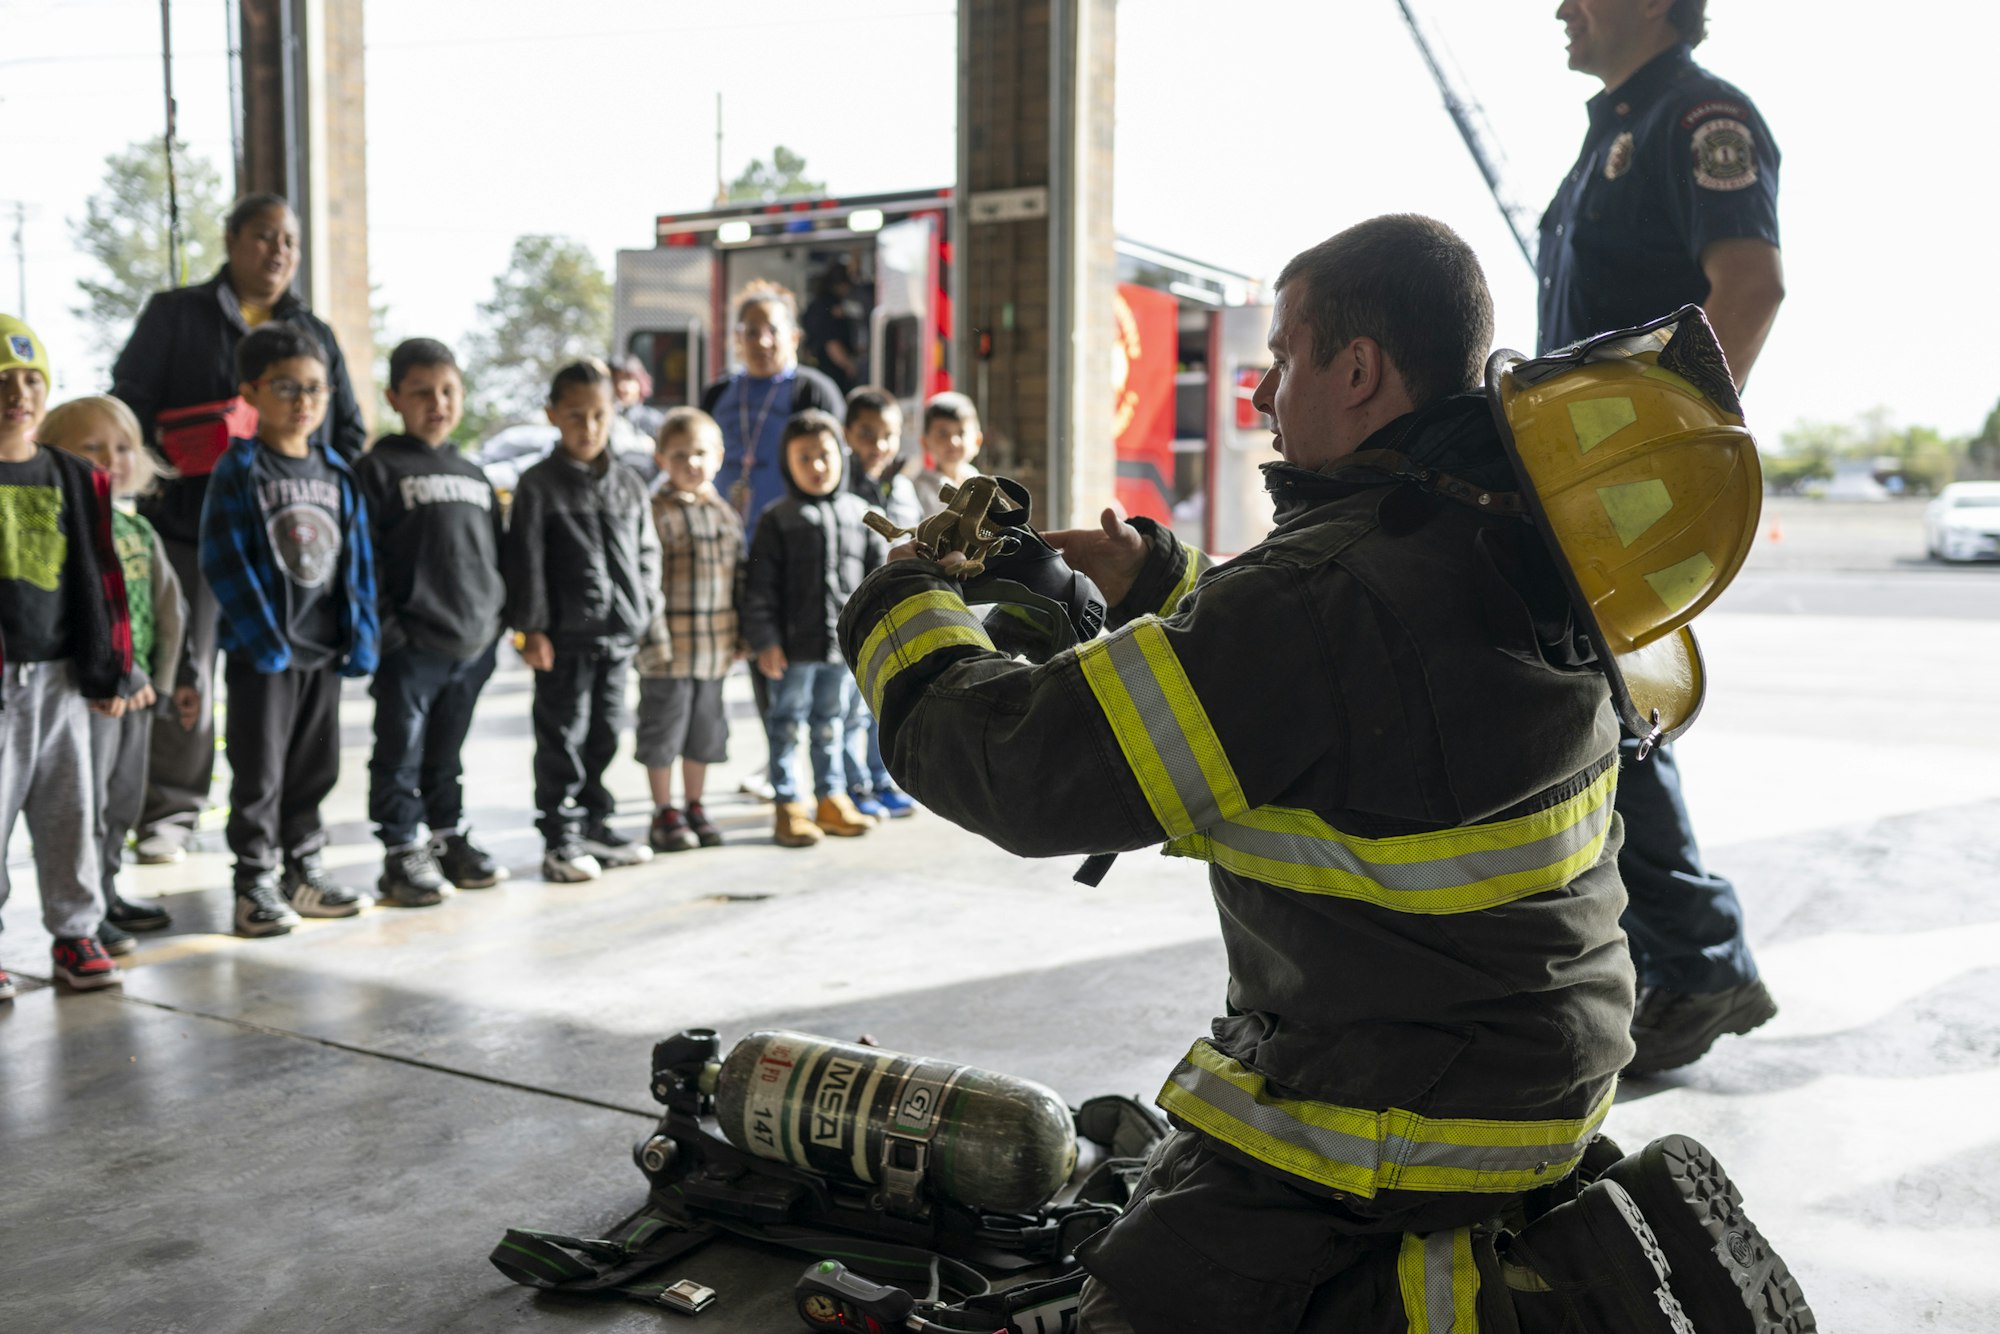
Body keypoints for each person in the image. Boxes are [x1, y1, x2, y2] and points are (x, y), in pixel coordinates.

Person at [836, 217, 1805, 1332]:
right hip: (1535, 1068)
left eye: (1282, 357)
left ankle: (1559, 1299)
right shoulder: (1500, 540)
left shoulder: (1318, 599)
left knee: (1146, 1300)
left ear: (1356, 370)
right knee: (1149, 1214)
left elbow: (1023, 769)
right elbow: (1351, 694)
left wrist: (901, 607)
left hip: (1405, 1103)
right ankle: (1558, 1224)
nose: (1257, 393)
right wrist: (1165, 581)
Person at [1541, 0, 1786, 1074]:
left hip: (1623, 475)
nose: (1557, 7)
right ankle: (1681, 955)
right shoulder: (1612, 128)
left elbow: (1749, 286)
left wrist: (1669, 448)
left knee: (1604, 703)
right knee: (1594, 700)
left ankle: (1696, 962)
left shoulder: (1699, 115)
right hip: (1581, 472)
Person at [112, 192, 367, 866]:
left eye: (290, 240)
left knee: (283, 684)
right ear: (230, 241)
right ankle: (171, 811)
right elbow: (127, 409)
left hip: (290, 550)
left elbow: (349, 432)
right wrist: (173, 460)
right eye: (263, 236)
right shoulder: (176, 315)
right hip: (190, 532)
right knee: (184, 671)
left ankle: (291, 825)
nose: (278, 251)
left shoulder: (314, 333)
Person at [201, 323, 376, 937]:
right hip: (264, 652)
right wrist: (262, 639)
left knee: (313, 767)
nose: (303, 402)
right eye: (286, 388)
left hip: (322, 650)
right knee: (260, 772)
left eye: (315, 389)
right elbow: (222, 559)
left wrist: (360, 638)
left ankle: (303, 871)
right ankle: (254, 882)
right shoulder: (241, 467)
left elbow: (356, 566)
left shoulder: (335, 470)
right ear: (251, 391)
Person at [38, 394, 200, 954]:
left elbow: (170, 609)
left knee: (124, 801)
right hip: (91, 697)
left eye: (124, 447)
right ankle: (83, 908)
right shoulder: (64, 528)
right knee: (85, 804)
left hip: (142, 695)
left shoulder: (138, 530)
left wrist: (182, 675)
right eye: (91, 448)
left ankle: (106, 892)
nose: (111, 459)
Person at [0, 317, 130, 996]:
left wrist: (110, 666)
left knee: (70, 810)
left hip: (61, 677)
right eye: (2, 380)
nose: (17, 393)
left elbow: (103, 576)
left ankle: (75, 935)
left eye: (31, 378)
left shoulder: (75, 477)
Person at [354, 339, 508, 908]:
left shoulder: (473, 472)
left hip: (472, 645)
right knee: (400, 751)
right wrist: (392, 635)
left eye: (447, 391)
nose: (436, 403)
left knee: (448, 750)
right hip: (411, 647)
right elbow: (363, 560)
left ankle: (447, 837)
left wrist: (495, 625)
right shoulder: (378, 469)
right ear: (395, 397)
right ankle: (400, 851)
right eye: (421, 392)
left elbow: (496, 553)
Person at [504, 358, 663, 883]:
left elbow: (646, 555)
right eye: (576, 416)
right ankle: (560, 837)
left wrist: (644, 615)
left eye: (599, 415)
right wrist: (532, 629)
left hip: (617, 636)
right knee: (561, 738)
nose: (589, 427)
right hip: (563, 641)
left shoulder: (628, 484)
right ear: (552, 415)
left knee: (604, 735)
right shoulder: (537, 485)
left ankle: (596, 823)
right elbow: (524, 561)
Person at [743, 410, 886, 847]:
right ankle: (788, 806)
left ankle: (831, 799)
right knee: (785, 723)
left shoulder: (862, 515)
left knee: (833, 723)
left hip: (842, 651)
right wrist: (764, 640)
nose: (817, 466)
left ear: (842, 455)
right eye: (804, 458)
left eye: (824, 455)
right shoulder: (777, 518)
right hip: (791, 650)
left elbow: (877, 584)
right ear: (788, 463)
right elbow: (759, 587)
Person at [636, 407, 742, 854]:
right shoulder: (652, 512)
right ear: (661, 458)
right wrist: (651, 639)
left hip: (714, 650)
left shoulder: (725, 515)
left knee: (705, 732)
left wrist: (742, 636)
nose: (691, 464)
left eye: (700, 453)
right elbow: (645, 580)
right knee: (663, 731)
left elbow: (740, 579)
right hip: (668, 651)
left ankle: (695, 804)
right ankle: (664, 811)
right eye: (679, 455)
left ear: (717, 456)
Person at [699, 280, 844, 531]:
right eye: (752, 332)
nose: (762, 342)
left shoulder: (813, 391)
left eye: (773, 331)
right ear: (738, 337)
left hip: (790, 533)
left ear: (794, 337)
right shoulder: (717, 393)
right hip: (721, 532)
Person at [838, 385, 918, 819]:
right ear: (848, 434)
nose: (878, 446)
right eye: (867, 434)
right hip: (853, 608)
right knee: (848, 708)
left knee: (880, 703)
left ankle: (880, 778)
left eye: (888, 435)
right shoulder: (839, 482)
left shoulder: (900, 484)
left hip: (892, 610)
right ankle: (852, 786)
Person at [910, 391, 983, 518]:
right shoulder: (918, 489)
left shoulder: (978, 480)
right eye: (943, 434)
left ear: (977, 441)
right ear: (925, 443)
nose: (953, 442)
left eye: (961, 433)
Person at [800, 262, 864, 396]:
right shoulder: (833, 307)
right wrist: (849, 365)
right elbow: (832, 343)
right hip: (833, 371)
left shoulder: (814, 305)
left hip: (817, 367)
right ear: (841, 284)